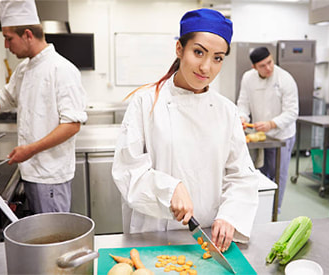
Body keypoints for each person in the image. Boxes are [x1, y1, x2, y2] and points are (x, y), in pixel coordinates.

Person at [112, 8, 263, 252]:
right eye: (198, 52)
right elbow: (127, 169)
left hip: (206, 238)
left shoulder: (227, 111)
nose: (206, 67)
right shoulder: (146, 103)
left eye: (218, 58)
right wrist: (169, 189)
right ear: (179, 49)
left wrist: (229, 216)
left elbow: (241, 175)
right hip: (154, 236)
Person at [0, 0, 87, 214]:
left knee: (53, 240)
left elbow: (71, 125)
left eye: (8, 38)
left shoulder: (62, 70)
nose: (6, 45)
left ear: (27, 34)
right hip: (31, 171)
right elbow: (2, 99)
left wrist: (29, 150)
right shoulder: (24, 69)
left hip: (50, 176)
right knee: (41, 240)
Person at [237, 46, 299, 214]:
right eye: (263, 66)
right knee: (260, 172)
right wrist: (242, 118)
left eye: (270, 62)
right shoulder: (248, 78)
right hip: (260, 135)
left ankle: (274, 210)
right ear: (254, 67)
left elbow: (292, 112)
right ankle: (259, 208)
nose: (269, 68)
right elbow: (243, 103)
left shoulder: (285, 79)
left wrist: (272, 124)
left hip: (281, 135)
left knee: (279, 174)